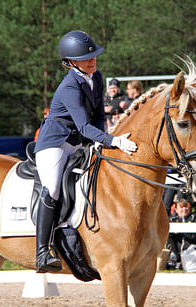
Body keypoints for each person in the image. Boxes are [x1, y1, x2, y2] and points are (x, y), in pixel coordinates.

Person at [33, 30, 137, 273]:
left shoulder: (97, 77)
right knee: (54, 188)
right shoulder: (70, 85)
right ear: (70, 63)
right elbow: (83, 125)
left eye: (93, 56)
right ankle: (42, 251)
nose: (92, 60)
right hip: (54, 144)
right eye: (85, 58)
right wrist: (114, 141)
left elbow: (99, 115)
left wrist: (101, 140)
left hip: (80, 142)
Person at [166, 199, 196, 270]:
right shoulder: (173, 220)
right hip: (178, 248)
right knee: (168, 235)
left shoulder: (195, 218)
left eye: (186, 207)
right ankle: (175, 259)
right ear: (176, 210)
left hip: (193, 248)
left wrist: (182, 232)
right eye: (181, 207)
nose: (184, 209)